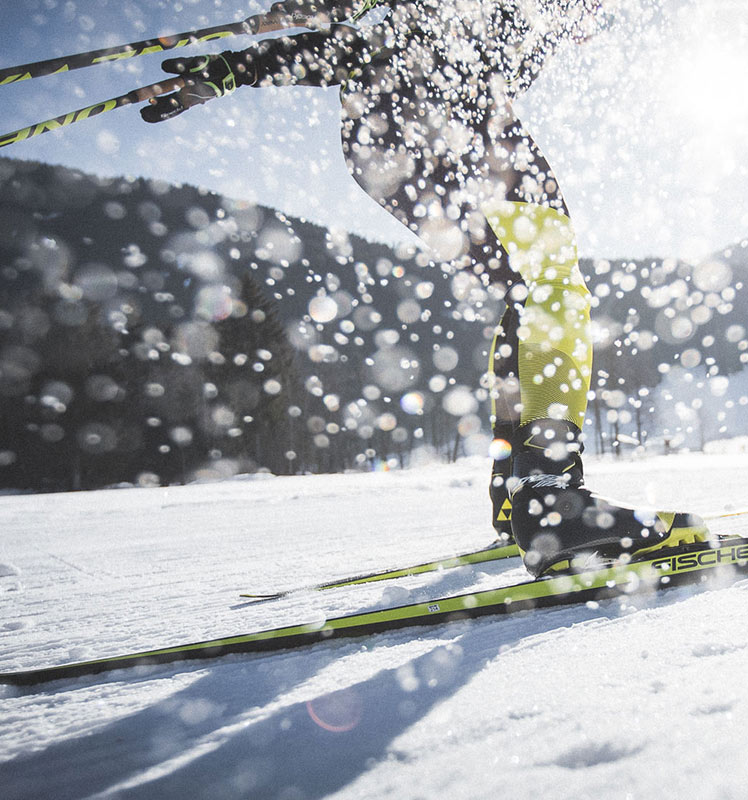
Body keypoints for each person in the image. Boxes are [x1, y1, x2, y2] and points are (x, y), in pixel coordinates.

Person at [140, 0, 709, 576]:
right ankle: (550, 504)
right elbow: (389, 46)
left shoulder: (519, 21)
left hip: (408, 134)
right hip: (444, 128)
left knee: (529, 294)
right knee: (549, 287)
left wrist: (242, 67)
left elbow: (364, 52)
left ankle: (522, 500)